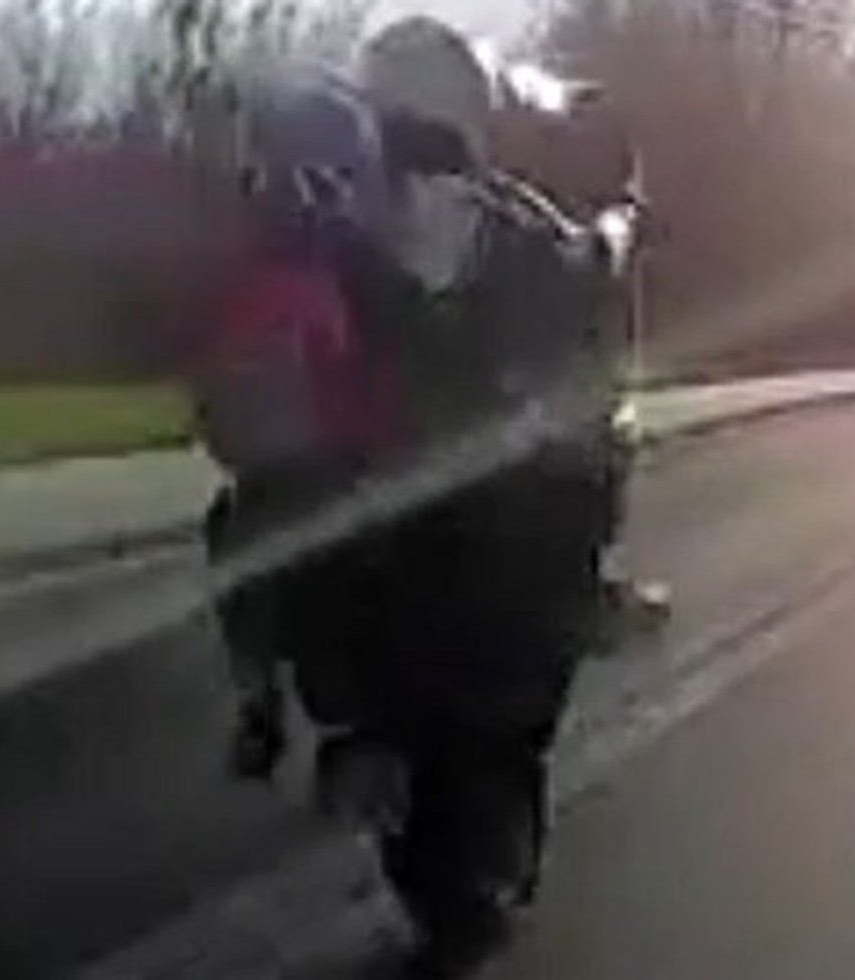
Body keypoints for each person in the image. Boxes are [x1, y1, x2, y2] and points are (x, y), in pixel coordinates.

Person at [200, 19, 634, 973]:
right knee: (574, 497)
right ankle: (310, 710)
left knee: (254, 525)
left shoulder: (352, 223)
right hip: (433, 503)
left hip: (403, 504)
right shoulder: (483, 230)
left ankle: (288, 708)